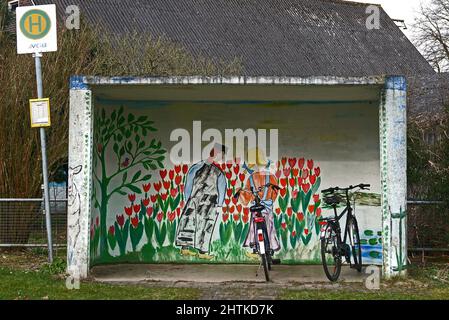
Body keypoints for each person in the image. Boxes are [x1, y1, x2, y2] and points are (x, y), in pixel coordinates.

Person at [176, 143, 227, 260]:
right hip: (207, 203)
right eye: (222, 155)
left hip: (196, 200)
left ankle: (189, 249)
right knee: (200, 225)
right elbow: (221, 188)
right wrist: (219, 204)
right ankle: (199, 251)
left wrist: (188, 198)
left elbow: (189, 184)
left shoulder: (198, 167)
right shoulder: (215, 171)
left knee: (190, 222)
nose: (222, 158)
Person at [239, 148, 280, 259]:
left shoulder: (251, 178)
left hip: (256, 206)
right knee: (269, 226)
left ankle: (254, 247)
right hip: (267, 206)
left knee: (254, 225)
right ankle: (270, 247)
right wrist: (269, 200)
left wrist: (241, 193)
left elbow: (246, 198)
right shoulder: (271, 177)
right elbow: (275, 192)